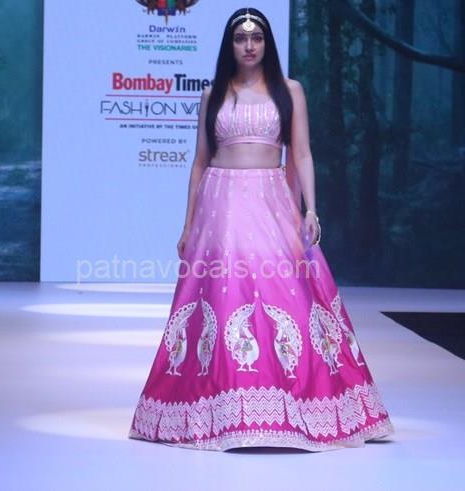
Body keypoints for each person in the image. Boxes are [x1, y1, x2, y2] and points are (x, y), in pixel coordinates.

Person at [127, 8, 394, 451]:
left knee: (285, 292)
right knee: (224, 293)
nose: (249, 45)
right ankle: (223, 409)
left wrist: (311, 209)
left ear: (267, 43)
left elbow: (301, 154)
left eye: (257, 37)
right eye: (240, 38)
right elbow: (199, 162)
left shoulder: (289, 91)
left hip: (272, 199)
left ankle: (300, 403)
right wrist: (187, 224)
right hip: (221, 201)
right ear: (229, 44)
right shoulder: (212, 94)